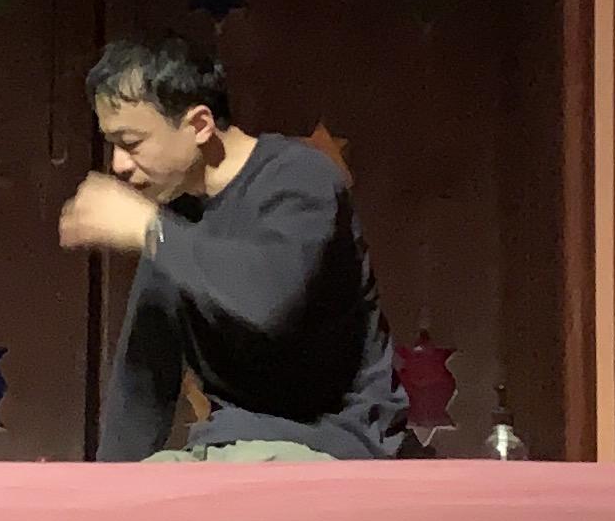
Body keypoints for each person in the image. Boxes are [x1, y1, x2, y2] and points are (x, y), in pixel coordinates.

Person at [60, 37, 405, 460]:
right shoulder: (176, 217)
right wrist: (110, 490)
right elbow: (144, 379)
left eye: (131, 143)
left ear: (199, 125)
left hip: (334, 442)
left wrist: (148, 229)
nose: (118, 165)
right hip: (231, 445)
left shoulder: (300, 179)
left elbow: (268, 298)